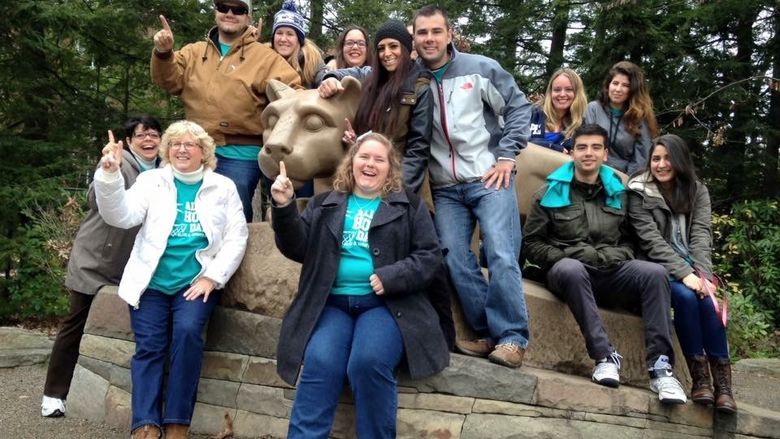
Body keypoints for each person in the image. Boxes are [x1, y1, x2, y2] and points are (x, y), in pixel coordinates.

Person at [270, 133, 449, 438]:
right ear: (351, 162)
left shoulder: (410, 207)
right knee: (320, 363)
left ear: (389, 168)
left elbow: (430, 257)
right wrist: (285, 206)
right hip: (332, 305)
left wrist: (393, 276)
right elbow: (297, 248)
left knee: (368, 362)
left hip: (387, 308)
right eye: (364, 157)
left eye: (379, 159)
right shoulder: (324, 203)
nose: (370, 164)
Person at [94, 120, 248, 439]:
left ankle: (177, 423)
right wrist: (109, 175)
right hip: (151, 283)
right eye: (175, 143)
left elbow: (237, 237)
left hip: (195, 283)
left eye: (189, 144)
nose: (181, 148)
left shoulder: (223, 187)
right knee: (150, 347)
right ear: (167, 150)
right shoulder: (152, 181)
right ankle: (145, 424)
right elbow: (120, 216)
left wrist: (212, 278)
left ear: (204, 152)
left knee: (188, 336)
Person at [523, 123, 687, 404]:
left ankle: (661, 369)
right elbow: (532, 244)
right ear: (572, 152)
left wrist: (619, 256)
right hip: (569, 272)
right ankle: (604, 357)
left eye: (596, 147)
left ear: (605, 154)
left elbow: (632, 241)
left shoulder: (620, 193)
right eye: (582, 147)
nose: (589, 153)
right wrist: (561, 257)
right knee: (571, 269)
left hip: (613, 271)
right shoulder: (549, 193)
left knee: (655, 273)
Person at [409, 5, 532, 368]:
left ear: (449, 34)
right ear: (414, 39)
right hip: (446, 188)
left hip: (489, 178)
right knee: (452, 256)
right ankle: (489, 333)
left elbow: (519, 108)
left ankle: (512, 337)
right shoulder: (413, 79)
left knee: (500, 252)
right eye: (422, 33)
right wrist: (329, 77)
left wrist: (507, 156)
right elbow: (372, 76)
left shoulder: (480, 68)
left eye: (435, 31)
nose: (429, 39)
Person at [40, 115, 162, 418]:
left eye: (153, 134)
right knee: (75, 323)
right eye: (140, 135)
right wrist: (110, 167)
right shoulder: (119, 161)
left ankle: (131, 401)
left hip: (135, 264)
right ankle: (54, 395)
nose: (148, 140)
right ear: (129, 141)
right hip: (96, 257)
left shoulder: (165, 170)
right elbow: (96, 200)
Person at [150, 0, 302, 222]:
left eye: (239, 10)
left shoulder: (265, 58)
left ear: (248, 18)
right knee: (185, 215)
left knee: (232, 217)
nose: (230, 13)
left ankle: (239, 257)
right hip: (195, 149)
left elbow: (294, 94)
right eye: (224, 7)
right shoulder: (193, 52)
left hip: (240, 154)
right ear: (216, 13)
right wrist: (163, 53)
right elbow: (168, 80)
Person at [628, 134, 736, 413]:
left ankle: (723, 387)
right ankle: (700, 379)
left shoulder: (697, 190)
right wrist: (684, 273)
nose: (661, 165)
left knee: (709, 303)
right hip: (659, 268)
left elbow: (701, 235)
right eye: (656, 159)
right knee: (686, 299)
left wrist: (703, 277)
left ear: (679, 161)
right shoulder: (639, 190)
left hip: (693, 269)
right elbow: (650, 241)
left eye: (667, 159)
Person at [318, 19, 433, 193]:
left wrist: (395, 193)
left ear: (406, 48)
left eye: (393, 46)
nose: (387, 53)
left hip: (401, 188)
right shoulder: (372, 83)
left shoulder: (420, 89)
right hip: (365, 182)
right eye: (381, 48)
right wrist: (330, 78)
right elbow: (351, 72)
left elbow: (417, 152)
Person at [585, 61, 658, 175]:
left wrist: (627, 183)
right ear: (608, 85)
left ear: (633, 90)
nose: (618, 89)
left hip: (623, 178)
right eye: (615, 83)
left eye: (625, 85)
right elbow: (587, 144)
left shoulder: (641, 117)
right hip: (593, 172)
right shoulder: (593, 109)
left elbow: (641, 160)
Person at [529, 68, 588, 153]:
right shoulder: (533, 114)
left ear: (577, 94)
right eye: (557, 90)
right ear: (550, 92)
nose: (562, 94)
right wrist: (552, 147)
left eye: (569, 89)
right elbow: (521, 141)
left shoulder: (581, 125)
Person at [271, 0, 325, 89]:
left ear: (299, 40)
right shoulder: (265, 59)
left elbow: (324, 77)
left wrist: (329, 80)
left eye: (290, 34)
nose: (283, 39)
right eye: (279, 33)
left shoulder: (312, 61)